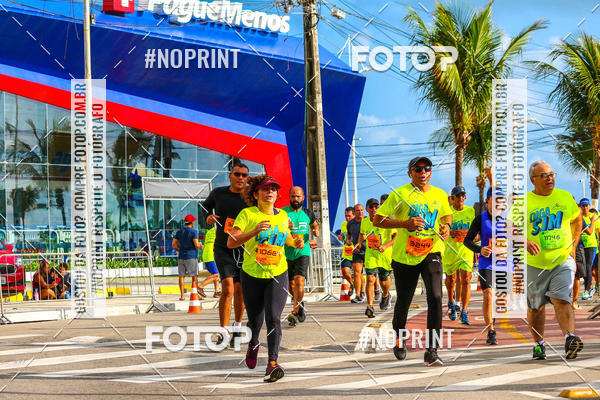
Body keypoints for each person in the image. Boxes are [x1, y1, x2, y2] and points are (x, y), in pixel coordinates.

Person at [374, 156, 452, 366]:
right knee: (404, 301)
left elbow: (446, 216)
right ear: (410, 173)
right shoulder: (400, 194)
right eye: (418, 169)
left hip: (431, 251)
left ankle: (432, 350)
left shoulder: (439, 194)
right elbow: (378, 219)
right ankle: (399, 340)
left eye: (426, 168)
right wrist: (404, 223)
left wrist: (446, 227)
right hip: (405, 256)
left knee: (436, 297)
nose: (423, 172)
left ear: (431, 172)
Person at [227, 175, 303, 383]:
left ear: (277, 195)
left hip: (277, 274)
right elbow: (231, 242)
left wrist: (296, 242)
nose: (270, 192)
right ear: (255, 194)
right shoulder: (247, 214)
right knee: (255, 320)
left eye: (273, 189)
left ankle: (272, 363)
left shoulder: (282, 216)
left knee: (273, 318)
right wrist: (254, 231)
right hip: (252, 274)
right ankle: (253, 344)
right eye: (265, 189)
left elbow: (288, 239)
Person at [522, 160, 583, 360]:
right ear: (533, 180)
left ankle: (570, 338)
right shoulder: (523, 202)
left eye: (551, 174)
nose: (550, 178)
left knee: (561, 299)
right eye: (544, 176)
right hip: (534, 263)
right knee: (536, 307)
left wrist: (573, 246)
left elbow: (577, 219)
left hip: (561, 260)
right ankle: (538, 344)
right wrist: (525, 242)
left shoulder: (564, 197)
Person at [203, 163, 249, 346]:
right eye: (237, 174)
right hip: (223, 248)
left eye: (244, 175)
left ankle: (237, 326)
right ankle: (222, 332)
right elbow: (206, 207)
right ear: (230, 176)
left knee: (240, 291)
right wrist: (208, 217)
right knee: (228, 288)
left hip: (244, 249)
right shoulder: (218, 193)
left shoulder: (251, 196)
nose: (240, 178)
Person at [464, 187, 501, 345]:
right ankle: (491, 330)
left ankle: (494, 318)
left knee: (501, 297)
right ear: (487, 201)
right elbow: (467, 240)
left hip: (504, 262)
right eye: (494, 199)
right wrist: (480, 249)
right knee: (488, 294)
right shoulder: (480, 219)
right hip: (486, 263)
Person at [283, 186, 319, 327]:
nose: (295, 199)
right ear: (289, 197)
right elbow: (276, 228)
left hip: (303, 252)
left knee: (299, 280)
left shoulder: (308, 213)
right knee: (291, 286)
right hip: (287, 253)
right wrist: (286, 226)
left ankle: (295, 312)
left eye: (298, 196)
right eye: (293, 196)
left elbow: (315, 226)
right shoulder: (283, 213)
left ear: (303, 197)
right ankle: (299, 303)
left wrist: (315, 232)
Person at [443, 186, 475, 325]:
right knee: (451, 279)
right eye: (458, 195)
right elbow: (441, 231)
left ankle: (464, 311)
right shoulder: (447, 213)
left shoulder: (470, 210)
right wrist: (451, 232)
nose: (461, 198)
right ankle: (451, 301)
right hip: (450, 250)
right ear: (453, 198)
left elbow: (474, 229)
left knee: (466, 279)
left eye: (463, 195)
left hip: (466, 250)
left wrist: (470, 235)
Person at [358, 197, 394, 318]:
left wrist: (385, 246)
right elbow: (362, 234)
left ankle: (386, 295)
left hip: (385, 256)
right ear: (367, 209)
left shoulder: (386, 220)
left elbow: (396, 237)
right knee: (370, 278)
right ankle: (370, 306)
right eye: (371, 207)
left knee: (384, 281)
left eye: (376, 206)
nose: (374, 209)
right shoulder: (365, 222)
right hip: (371, 255)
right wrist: (359, 243)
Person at [172, 214, 203, 301]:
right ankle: (195, 295)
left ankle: (182, 296)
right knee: (194, 276)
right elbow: (196, 244)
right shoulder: (193, 232)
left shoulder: (179, 232)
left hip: (181, 256)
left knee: (181, 276)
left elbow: (173, 244)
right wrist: (201, 246)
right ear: (192, 222)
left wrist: (180, 248)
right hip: (191, 256)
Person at [579, 198, 597, 300]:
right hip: (582, 245)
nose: (585, 208)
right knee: (584, 268)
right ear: (581, 207)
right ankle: (589, 287)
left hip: (591, 245)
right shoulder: (580, 217)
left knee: (588, 266)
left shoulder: (593, 216)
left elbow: (595, 230)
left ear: (589, 206)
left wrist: (593, 221)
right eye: (583, 206)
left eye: (587, 205)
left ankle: (587, 290)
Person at [348, 203, 366, 303]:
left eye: (361, 210)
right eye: (358, 210)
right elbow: (349, 234)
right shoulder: (350, 223)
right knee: (357, 273)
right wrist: (348, 240)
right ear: (354, 212)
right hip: (357, 251)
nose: (360, 212)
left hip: (369, 251)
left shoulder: (368, 221)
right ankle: (358, 295)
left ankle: (376, 289)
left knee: (372, 274)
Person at [338, 207, 356, 296]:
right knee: (345, 272)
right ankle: (352, 284)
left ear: (354, 215)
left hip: (357, 252)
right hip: (346, 253)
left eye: (349, 216)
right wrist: (340, 237)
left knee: (358, 274)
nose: (347, 218)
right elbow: (343, 236)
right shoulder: (343, 224)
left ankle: (360, 294)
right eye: (345, 216)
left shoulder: (358, 224)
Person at [198, 226, 220, 298]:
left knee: (214, 274)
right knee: (216, 275)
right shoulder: (218, 231)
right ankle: (200, 287)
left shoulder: (209, 231)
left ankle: (217, 292)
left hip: (206, 254)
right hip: (210, 255)